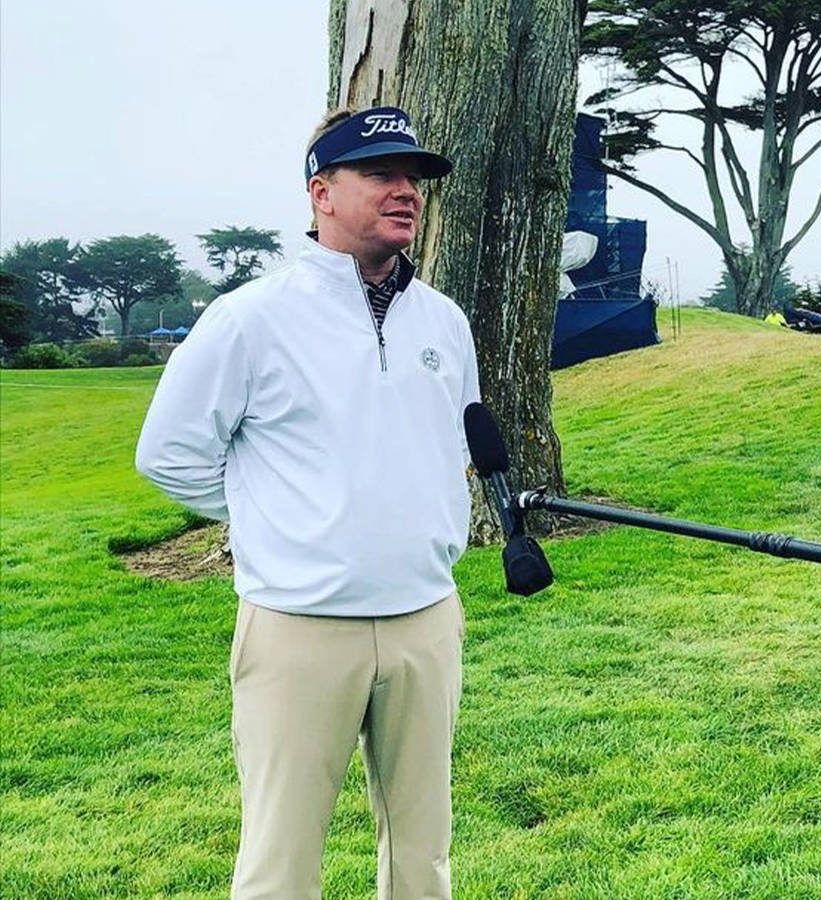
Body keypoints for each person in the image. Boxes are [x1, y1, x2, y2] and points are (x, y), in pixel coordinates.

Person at [135, 105, 480, 900]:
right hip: (298, 628)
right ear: (321, 191)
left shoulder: (444, 321)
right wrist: (271, 517)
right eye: (382, 175)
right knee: (281, 863)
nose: (407, 192)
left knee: (423, 856)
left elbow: (452, 445)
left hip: (426, 619)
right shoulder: (251, 319)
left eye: (415, 179)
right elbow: (170, 455)